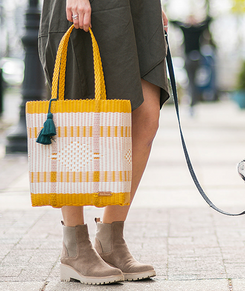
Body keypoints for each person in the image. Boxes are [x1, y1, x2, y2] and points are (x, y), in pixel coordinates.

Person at [38, 0, 170, 285]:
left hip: (135, 8)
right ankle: (75, 246)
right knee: (74, 113)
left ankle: (111, 239)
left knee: (146, 118)